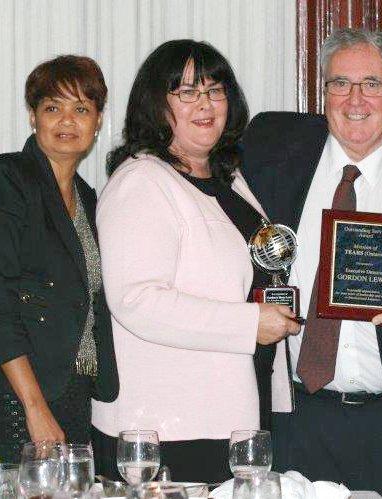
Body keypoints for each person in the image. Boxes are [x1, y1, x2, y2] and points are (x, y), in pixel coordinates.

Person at [241, 28, 382, 499]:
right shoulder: (273, 160)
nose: (355, 99)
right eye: (339, 83)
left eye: (372, 84)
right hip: (293, 417)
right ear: (323, 94)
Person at [91, 39, 300, 483]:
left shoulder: (228, 178)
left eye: (214, 90)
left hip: (235, 412)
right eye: (186, 92)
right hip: (171, 429)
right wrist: (249, 325)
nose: (204, 104)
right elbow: (136, 301)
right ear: (156, 104)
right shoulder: (143, 181)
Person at [0, 56, 118, 462]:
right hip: (15, 395)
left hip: (74, 389)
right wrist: (35, 408)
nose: (67, 120)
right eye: (52, 108)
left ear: (97, 121)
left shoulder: (90, 198)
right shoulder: (6, 180)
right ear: (33, 117)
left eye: (81, 109)